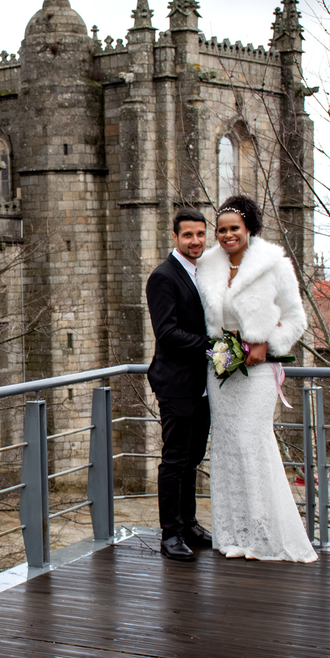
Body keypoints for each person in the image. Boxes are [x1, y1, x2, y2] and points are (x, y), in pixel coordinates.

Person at [194, 195, 317, 563]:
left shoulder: (274, 265)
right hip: (222, 371)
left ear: (249, 228)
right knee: (227, 447)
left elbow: (296, 319)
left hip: (259, 371)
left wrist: (268, 342)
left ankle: (264, 537)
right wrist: (220, 351)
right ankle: (233, 536)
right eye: (221, 230)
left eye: (234, 228)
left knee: (252, 442)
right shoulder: (207, 266)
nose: (227, 235)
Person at [146, 208, 213, 562]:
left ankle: (188, 524)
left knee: (193, 458)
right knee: (174, 461)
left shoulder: (204, 271)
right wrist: (213, 346)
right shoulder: (163, 276)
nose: (195, 241)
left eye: (200, 234)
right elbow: (167, 333)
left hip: (202, 385)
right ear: (175, 237)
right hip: (176, 384)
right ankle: (170, 534)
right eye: (188, 235)